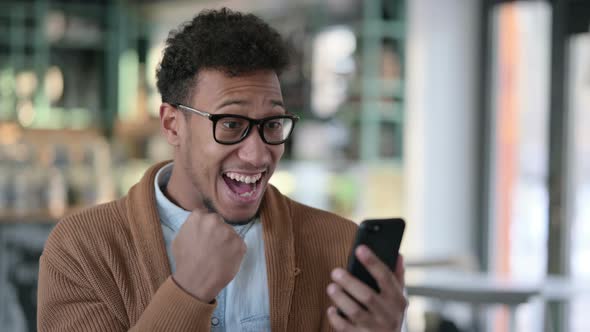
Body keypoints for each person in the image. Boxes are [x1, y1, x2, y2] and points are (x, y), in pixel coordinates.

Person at [37, 7, 407, 332]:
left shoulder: (339, 247)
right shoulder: (81, 250)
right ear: (171, 125)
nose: (258, 155)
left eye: (273, 124)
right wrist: (190, 290)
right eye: (231, 124)